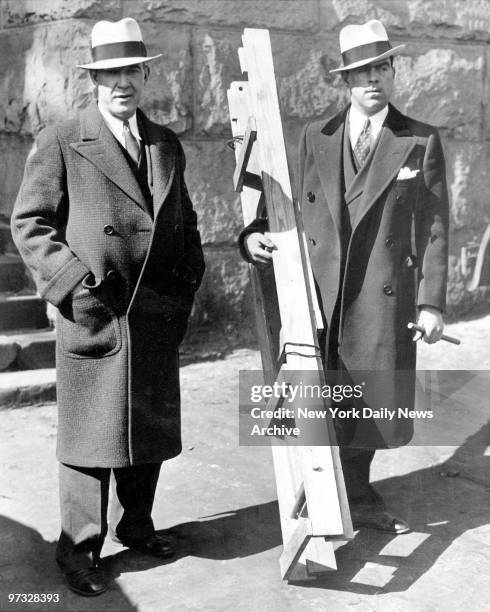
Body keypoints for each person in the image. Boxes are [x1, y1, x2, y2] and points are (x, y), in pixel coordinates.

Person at [11, 18, 205, 596]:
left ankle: (137, 526)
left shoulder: (166, 143)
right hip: (95, 312)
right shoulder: (65, 137)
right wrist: (72, 286)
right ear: (94, 79)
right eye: (109, 73)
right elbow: (31, 222)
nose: (122, 83)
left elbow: (185, 224)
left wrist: (184, 285)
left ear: (145, 75)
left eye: (130, 71)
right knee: (89, 439)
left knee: (147, 428)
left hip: (153, 314)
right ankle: (78, 551)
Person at [240, 20, 448, 534]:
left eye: (381, 67)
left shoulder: (419, 140)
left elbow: (436, 228)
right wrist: (259, 236)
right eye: (360, 72)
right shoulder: (317, 135)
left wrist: (432, 304)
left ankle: (359, 490)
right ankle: (321, 489)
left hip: (382, 294)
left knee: (373, 398)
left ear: (394, 70)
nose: (372, 79)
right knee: (321, 389)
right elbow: (295, 208)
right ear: (345, 81)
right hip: (322, 289)